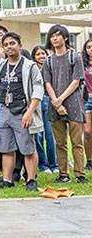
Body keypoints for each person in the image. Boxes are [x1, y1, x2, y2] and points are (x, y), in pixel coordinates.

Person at [0, 32, 42, 191]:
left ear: (20, 45)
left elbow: (38, 91)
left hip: (22, 110)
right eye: (6, 45)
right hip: (3, 110)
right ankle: (7, 179)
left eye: (12, 43)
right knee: (6, 147)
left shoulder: (29, 66)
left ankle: (31, 179)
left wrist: (29, 112)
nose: (9, 47)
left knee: (28, 148)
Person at [42, 24, 87, 183]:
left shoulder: (75, 56)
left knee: (77, 142)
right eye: (52, 36)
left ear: (65, 37)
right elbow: (47, 82)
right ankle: (63, 174)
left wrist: (60, 100)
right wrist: (56, 102)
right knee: (60, 143)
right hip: (55, 106)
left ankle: (80, 174)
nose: (54, 38)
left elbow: (76, 81)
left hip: (74, 104)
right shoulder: (48, 60)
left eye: (57, 35)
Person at [32, 45, 58, 174]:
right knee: (38, 135)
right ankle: (43, 164)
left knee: (50, 135)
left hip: (49, 101)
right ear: (34, 57)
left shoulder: (51, 68)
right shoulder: (32, 69)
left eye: (43, 53)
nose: (41, 56)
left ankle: (54, 164)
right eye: (38, 54)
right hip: (36, 102)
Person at [81, 39, 92, 172]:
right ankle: (89, 161)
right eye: (88, 47)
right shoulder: (82, 64)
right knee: (88, 132)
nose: (91, 49)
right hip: (87, 99)